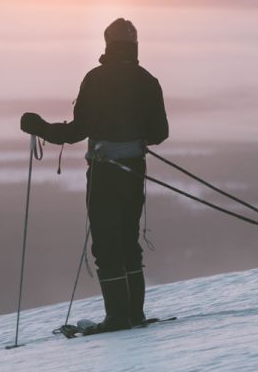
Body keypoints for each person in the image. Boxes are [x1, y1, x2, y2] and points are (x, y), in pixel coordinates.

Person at [19, 17, 169, 333]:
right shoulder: (148, 80)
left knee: (106, 243)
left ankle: (118, 318)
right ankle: (134, 315)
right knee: (129, 240)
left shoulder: (96, 80)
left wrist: (39, 127)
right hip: (134, 172)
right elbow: (160, 133)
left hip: (104, 173)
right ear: (134, 45)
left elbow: (77, 131)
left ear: (107, 45)